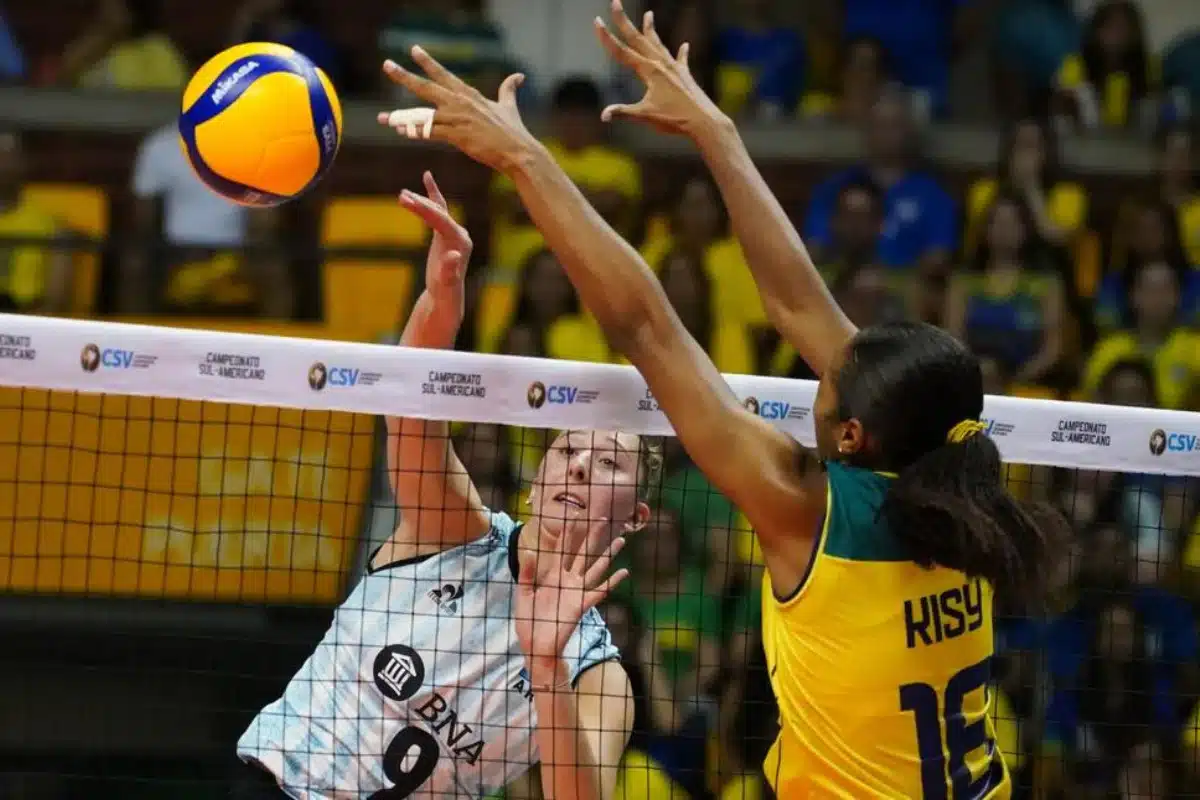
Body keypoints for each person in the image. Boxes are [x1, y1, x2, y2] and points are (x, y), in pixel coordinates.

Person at [377, 3, 1068, 794]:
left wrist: (526, 160)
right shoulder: (965, 487)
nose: (819, 363)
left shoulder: (811, 512)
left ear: (851, 436)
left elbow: (647, 327)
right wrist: (716, 132)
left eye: (827, 379)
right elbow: (804, 307)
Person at [233, 173, 652, 799]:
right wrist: (440, 298)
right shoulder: (453, 530)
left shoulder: (599, 676)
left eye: (609, 463)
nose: (582, 466)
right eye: (567, 450)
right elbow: (409, 414)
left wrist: (545, 665)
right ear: (536, 483)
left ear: (638, 517)